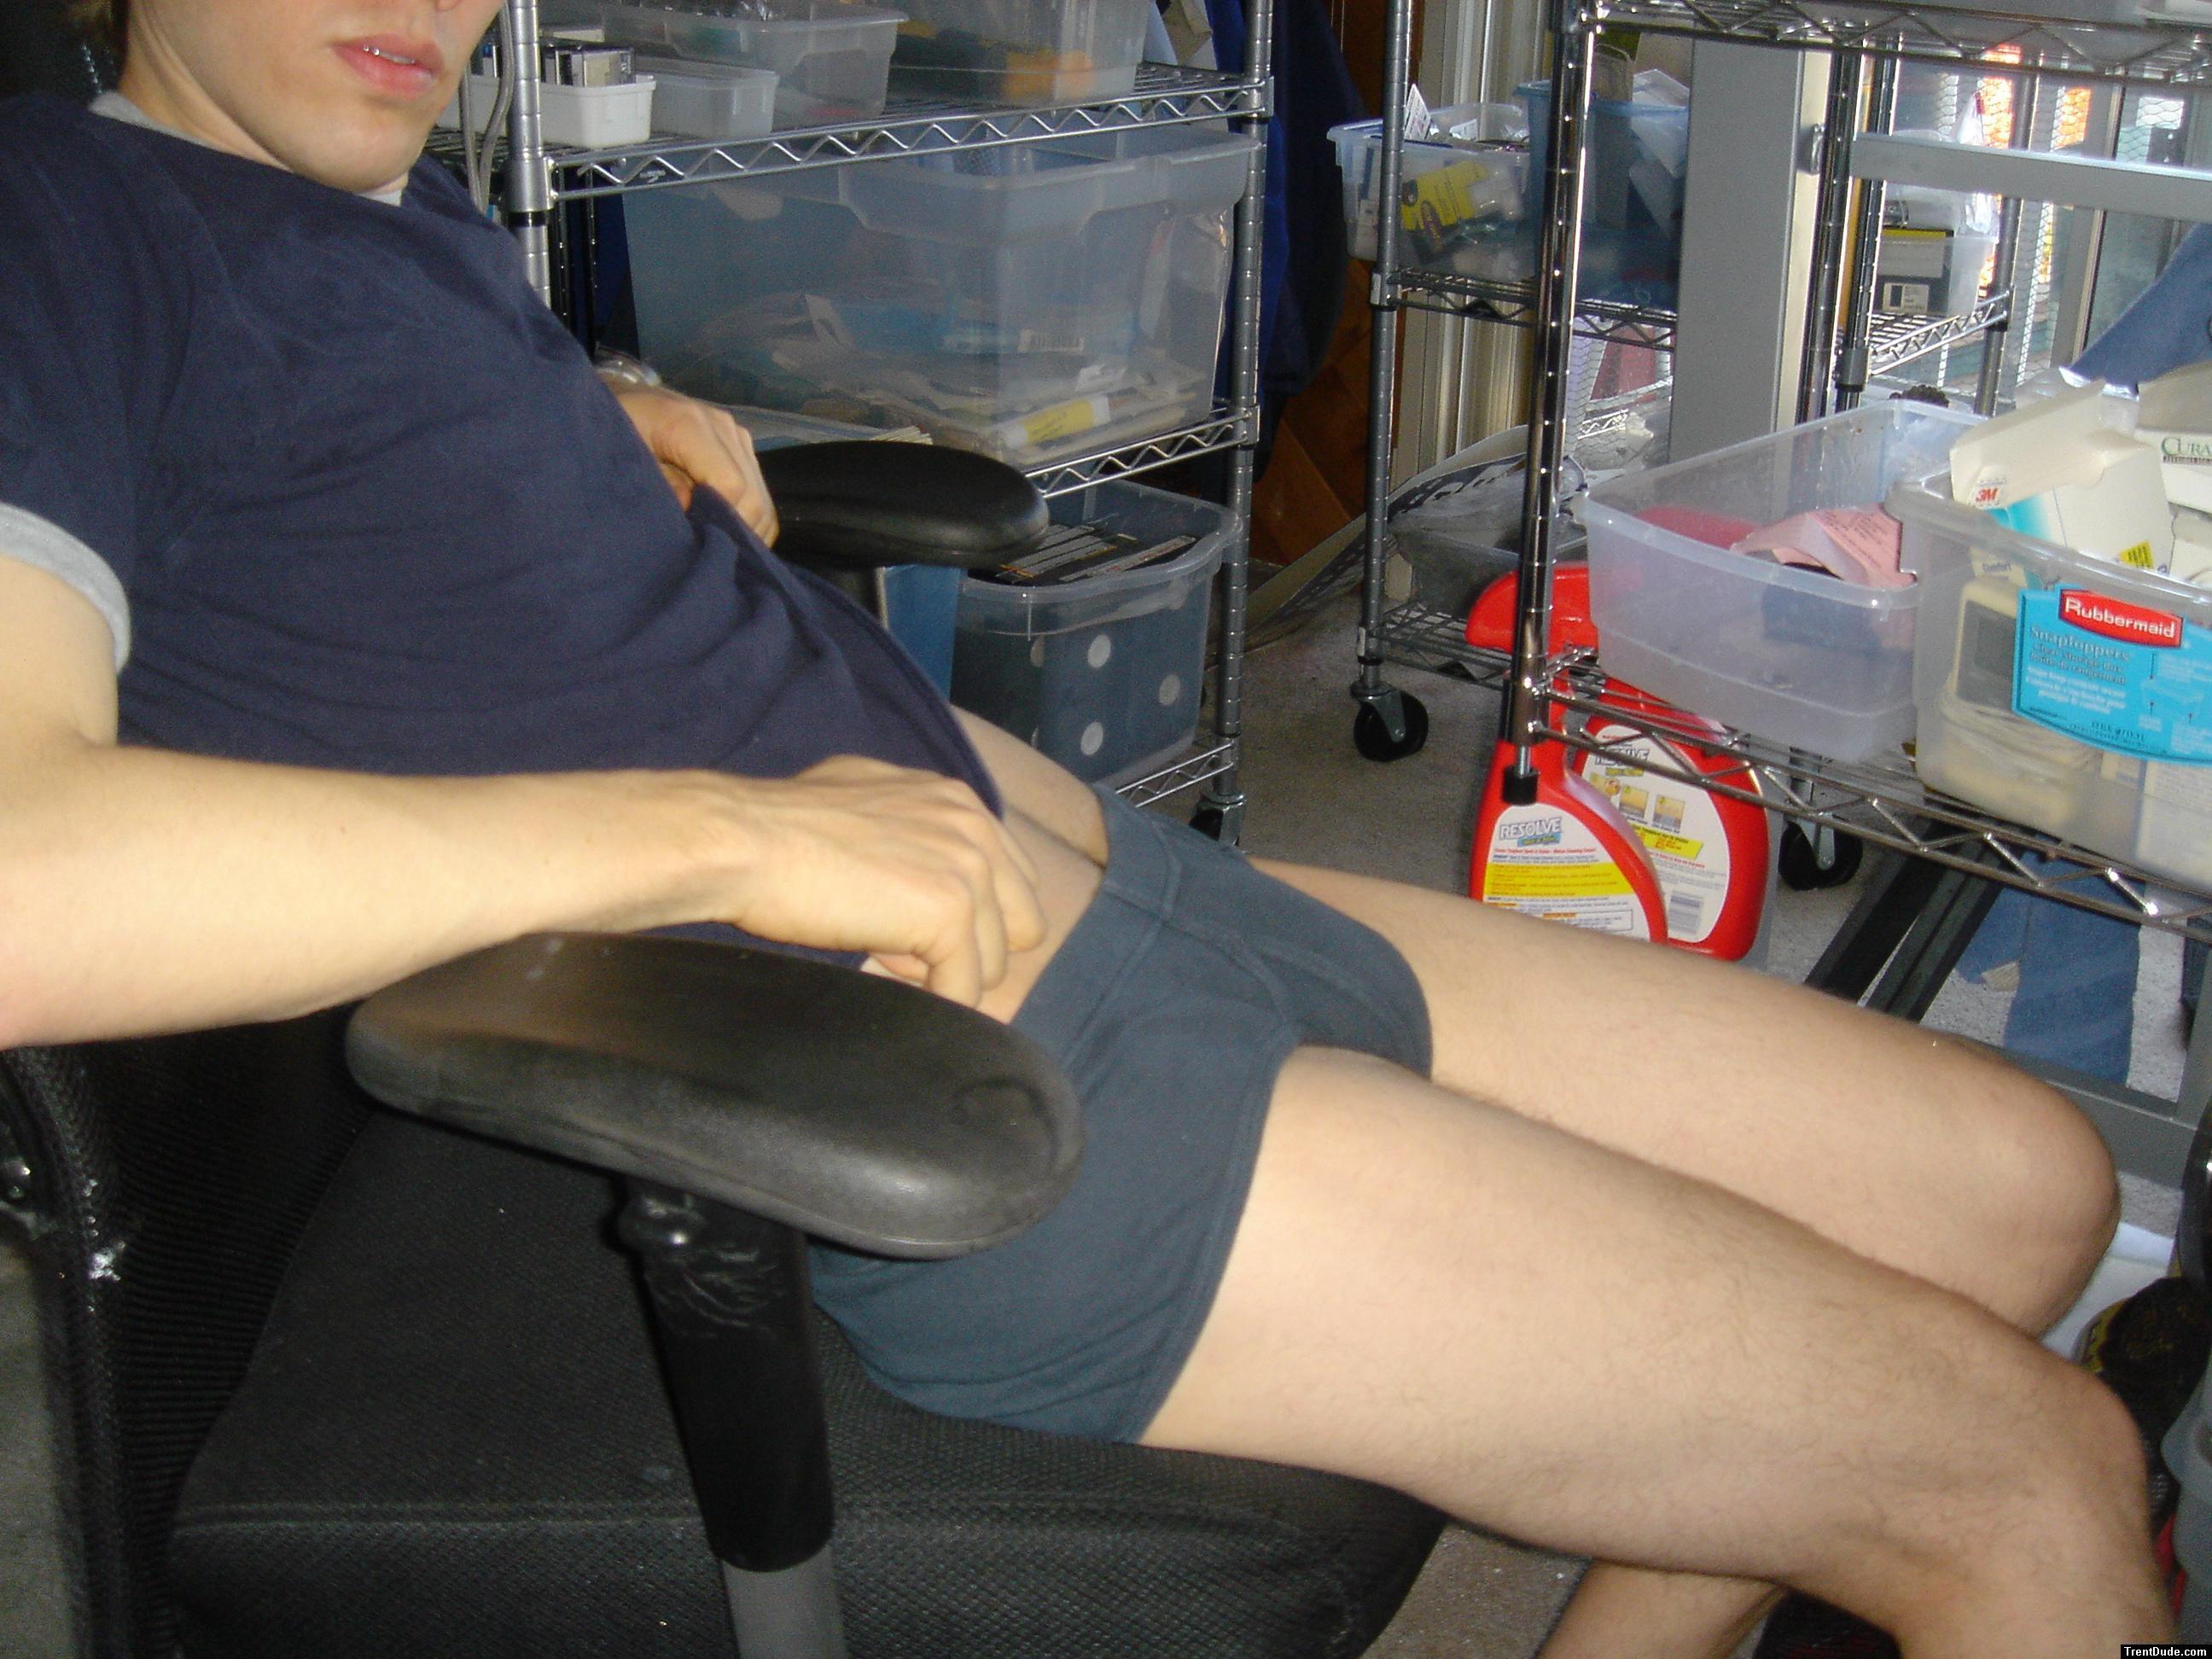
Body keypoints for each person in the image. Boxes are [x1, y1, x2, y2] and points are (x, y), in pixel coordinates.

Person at [0, 1, 2173, 1651]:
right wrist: (718, 836)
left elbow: (325, 504)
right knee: (2038, 1488)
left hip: (1145, 890)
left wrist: (597, 413)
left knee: (2019, 1191)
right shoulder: (52, 223)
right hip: (966, 1080)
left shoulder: (362, 200)